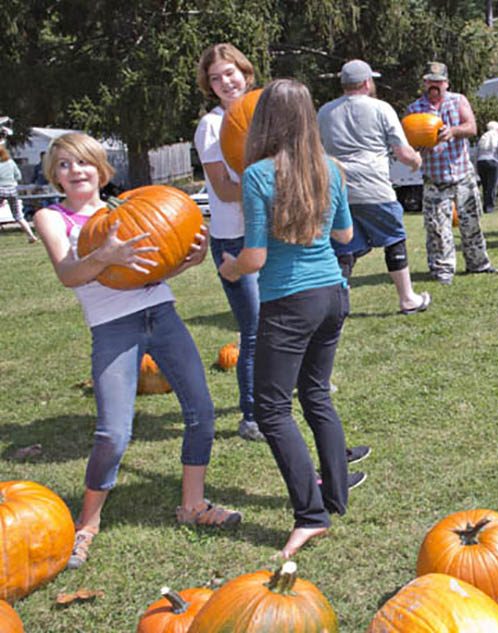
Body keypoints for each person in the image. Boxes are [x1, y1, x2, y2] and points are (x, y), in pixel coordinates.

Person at [34, 132, 241, 570]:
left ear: (99, 169)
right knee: (114, 432)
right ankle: (87, 523)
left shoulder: (124, 206)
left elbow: (157, 263)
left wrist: (189, 260)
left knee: (201, 412)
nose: (76, 172)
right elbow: (69, 275)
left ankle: (193, 505)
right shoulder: (52, 218)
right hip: (112, 329)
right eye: (65, 165)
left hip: (161, 314)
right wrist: (106, 254)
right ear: (55, 175)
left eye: (83, 163)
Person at [217, 79, 364, 559]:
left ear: (261, 122)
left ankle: (311, 515)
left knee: (273, 409)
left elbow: (255, 258)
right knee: (316, 393)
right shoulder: (331, 168)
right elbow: (344, 235)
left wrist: (230, 266)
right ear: (308, 118)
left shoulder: (259, 176)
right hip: (332, 296)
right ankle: (336, 496)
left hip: (290, 303)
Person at [317, 59, 430, 315]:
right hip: (374, 188)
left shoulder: (324, 112)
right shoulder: (381, 109)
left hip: (338, 190)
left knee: (343, 250)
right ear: (367, 82)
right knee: (394, 239)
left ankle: (336, 307)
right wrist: (416, 160)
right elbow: (402, 152)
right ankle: (407, 298)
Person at [194, 43, 263, 442]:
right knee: (254, 328)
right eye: (216, 77)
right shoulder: (212, 126)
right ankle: (251, 416)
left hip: (271, 232)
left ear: (245, 72)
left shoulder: (263, 112)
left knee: (283, 319)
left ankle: (289, 389)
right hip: (234, 238)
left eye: (230, 72)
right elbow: (221, 188)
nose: (225, 82)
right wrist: (271, 186)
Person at [405, 62, 498, 283]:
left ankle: (478, 264)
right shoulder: (415, 110)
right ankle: (442, 270)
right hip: (435, 178)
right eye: (430, 81)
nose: (434, 86)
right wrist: (418, 145)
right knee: (437, 228)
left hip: (463, 175)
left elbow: (471, 127)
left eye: (438, 82)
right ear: (425, 83)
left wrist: (453, 131)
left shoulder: (458, 101)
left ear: (446, 83)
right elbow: (409, 143)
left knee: (471, 223)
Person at [0, 146, 39, 242]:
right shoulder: (11, 162)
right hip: (12, 190)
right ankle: (31, 236)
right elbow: (18, 176)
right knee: (18, 215)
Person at [475, 121, 498, 214]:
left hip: (481, 162)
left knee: (485, 186)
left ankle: (485, 206)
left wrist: (475, 166)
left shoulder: (483, 138)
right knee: (492, 185)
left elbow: (476, 152)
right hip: (493, 162)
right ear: (497, 129)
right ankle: (490, 207)